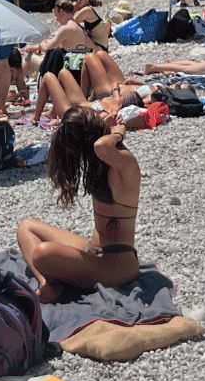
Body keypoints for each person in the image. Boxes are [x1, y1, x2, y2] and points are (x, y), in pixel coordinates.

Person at [17, 107, 140, 300]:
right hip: (92, 250)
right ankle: (48, 284)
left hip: (118, 263)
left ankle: (55, 283)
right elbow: (99, 146)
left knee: (42, 254)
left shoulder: (124, 162)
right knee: (26, 227)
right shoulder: (97, 163)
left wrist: (118, 132)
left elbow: (102, 146)